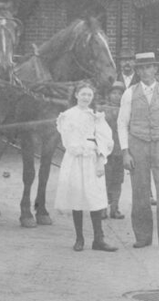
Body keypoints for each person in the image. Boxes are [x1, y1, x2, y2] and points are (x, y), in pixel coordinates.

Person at [118, 52, 159, 250]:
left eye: (149, 67)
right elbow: (122, 124)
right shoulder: (129, 93)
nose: (145, 72)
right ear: (137, 71)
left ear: (156, 69)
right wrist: (125, 152)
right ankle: (142, 237)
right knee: (139, 193)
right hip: (137, 145)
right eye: (141, 68)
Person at [54, 82, 118, 252]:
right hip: (75, 159)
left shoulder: (96, 116)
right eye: (83, 94)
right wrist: (82, 149)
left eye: (89, 95)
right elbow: (68, 140)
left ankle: (99, 239)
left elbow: (105, 138)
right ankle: (79, 239)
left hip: (92, 160)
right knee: (77, 198)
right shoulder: (67, 115)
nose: (86, 98)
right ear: (76, 95)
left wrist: (100, 158)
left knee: (95, 198)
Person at [101, 82, 126, 220]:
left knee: (118, 180)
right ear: (109, 95)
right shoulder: (101, 109)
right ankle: (102, 208)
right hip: (106, 152)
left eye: (119, 93)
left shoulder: (127, 109)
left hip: (120, 151)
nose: (116, 96)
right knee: (105, 180)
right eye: (114, 93)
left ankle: (115, 208)